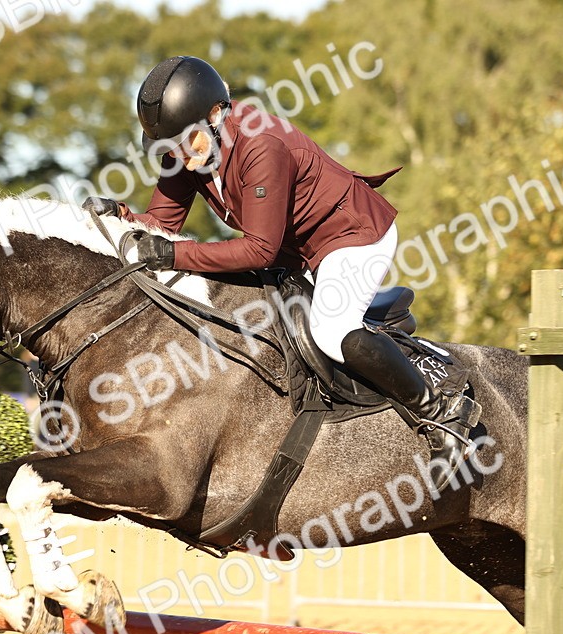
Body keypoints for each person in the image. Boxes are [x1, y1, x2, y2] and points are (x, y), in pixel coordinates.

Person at [83, 55, 479, 489]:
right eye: (168, 151)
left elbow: (258, 248)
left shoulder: (261, 145)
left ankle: (440, 411)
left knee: (331, 330)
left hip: (352, 236)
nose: (182, 160)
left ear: (217, 115)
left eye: (188, 145)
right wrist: (120, 215)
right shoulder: (190, 147)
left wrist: (176, 256)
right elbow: (163, 224)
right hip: (296, 252)